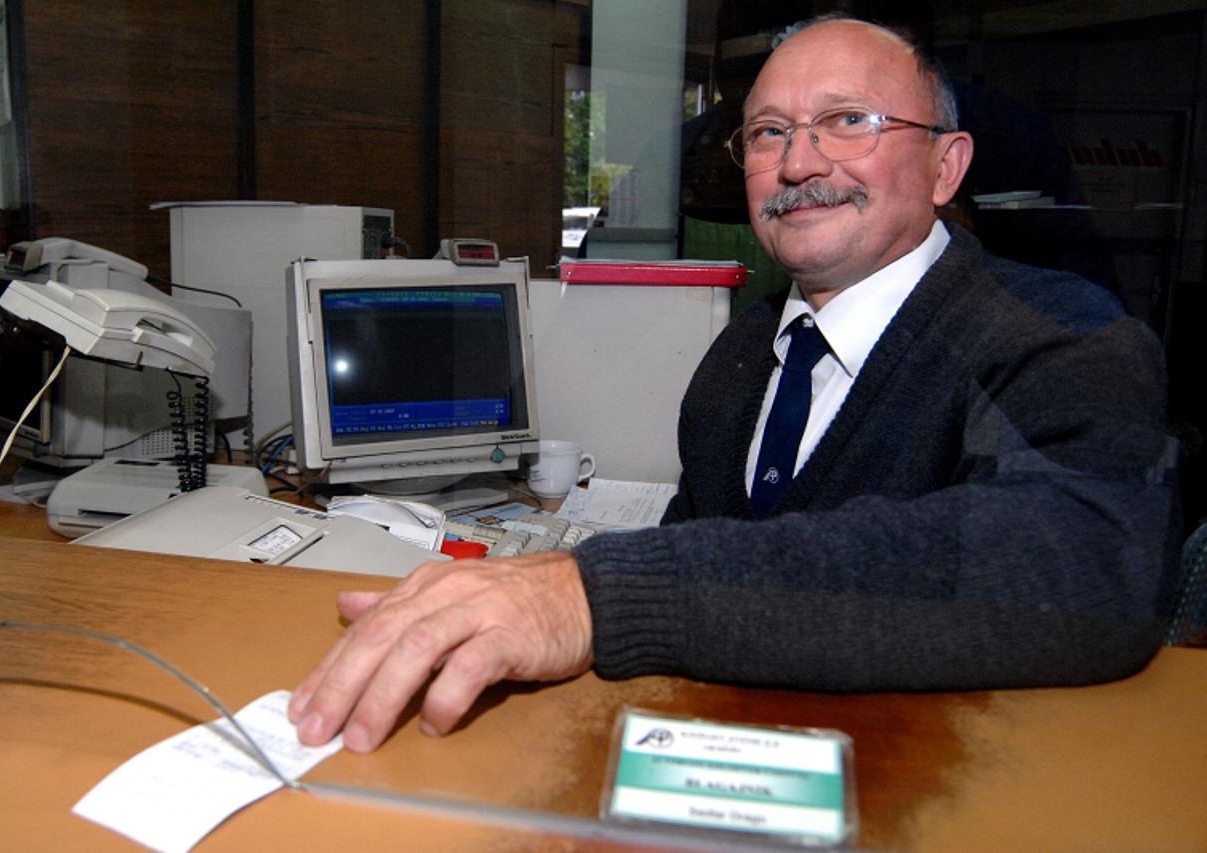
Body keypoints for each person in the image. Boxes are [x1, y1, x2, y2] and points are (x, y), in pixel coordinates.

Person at [290, 15, 1179, 753]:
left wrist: (593, 593)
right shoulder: (739, 362)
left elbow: (1085, 561)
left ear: (947, 167)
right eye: (769, 133)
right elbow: (713, 584)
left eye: (850, 121)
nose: (800, 165)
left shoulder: (1061, 336)